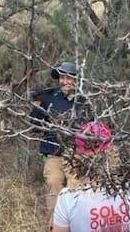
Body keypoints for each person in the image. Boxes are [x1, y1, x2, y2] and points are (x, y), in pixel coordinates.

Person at [30, 61, 93, 217]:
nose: (64, 81)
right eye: (62, 77)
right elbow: (35, 126)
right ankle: (55, 226)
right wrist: (36, 107)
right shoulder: (49, 98)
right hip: (53, 153)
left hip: (76, 153)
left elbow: (91, 129)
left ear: (76, 80)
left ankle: (76, 224)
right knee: (53, 182)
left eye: (69, 78)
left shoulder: (84, 102)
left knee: (76, 186)